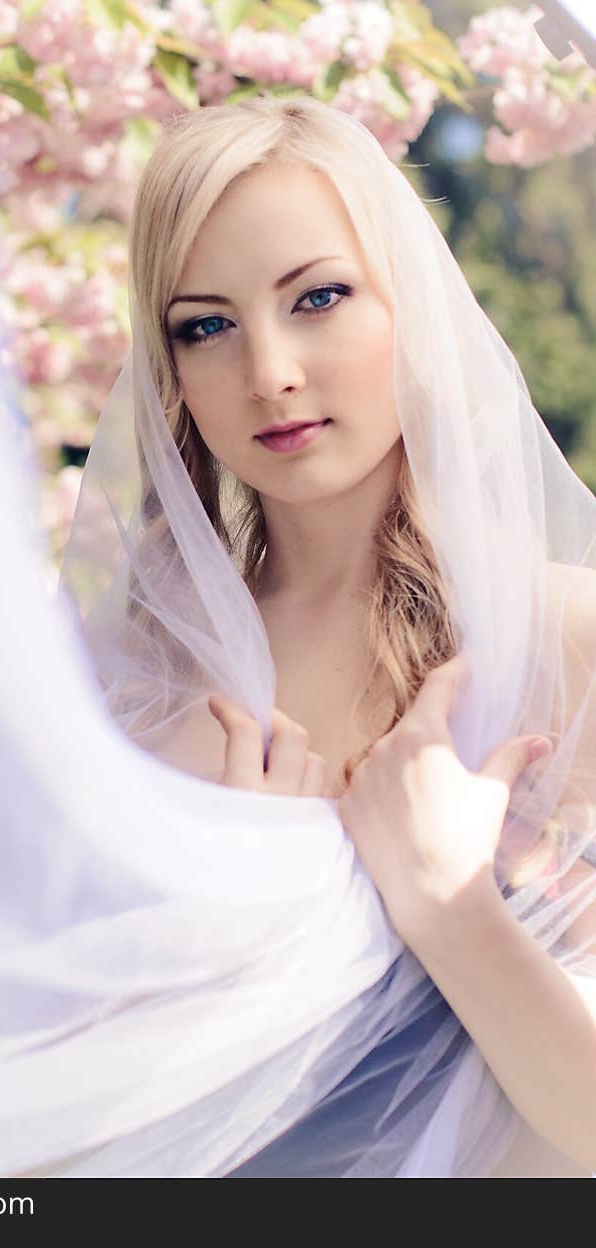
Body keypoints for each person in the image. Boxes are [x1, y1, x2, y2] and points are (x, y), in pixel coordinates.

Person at [60, 94, 596, 1177]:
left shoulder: (565, 641)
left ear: (414, 308)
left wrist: (447, 904)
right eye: (204, 325)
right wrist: (212, 938)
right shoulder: (139, 688)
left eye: (318, 297)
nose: (269, 373)